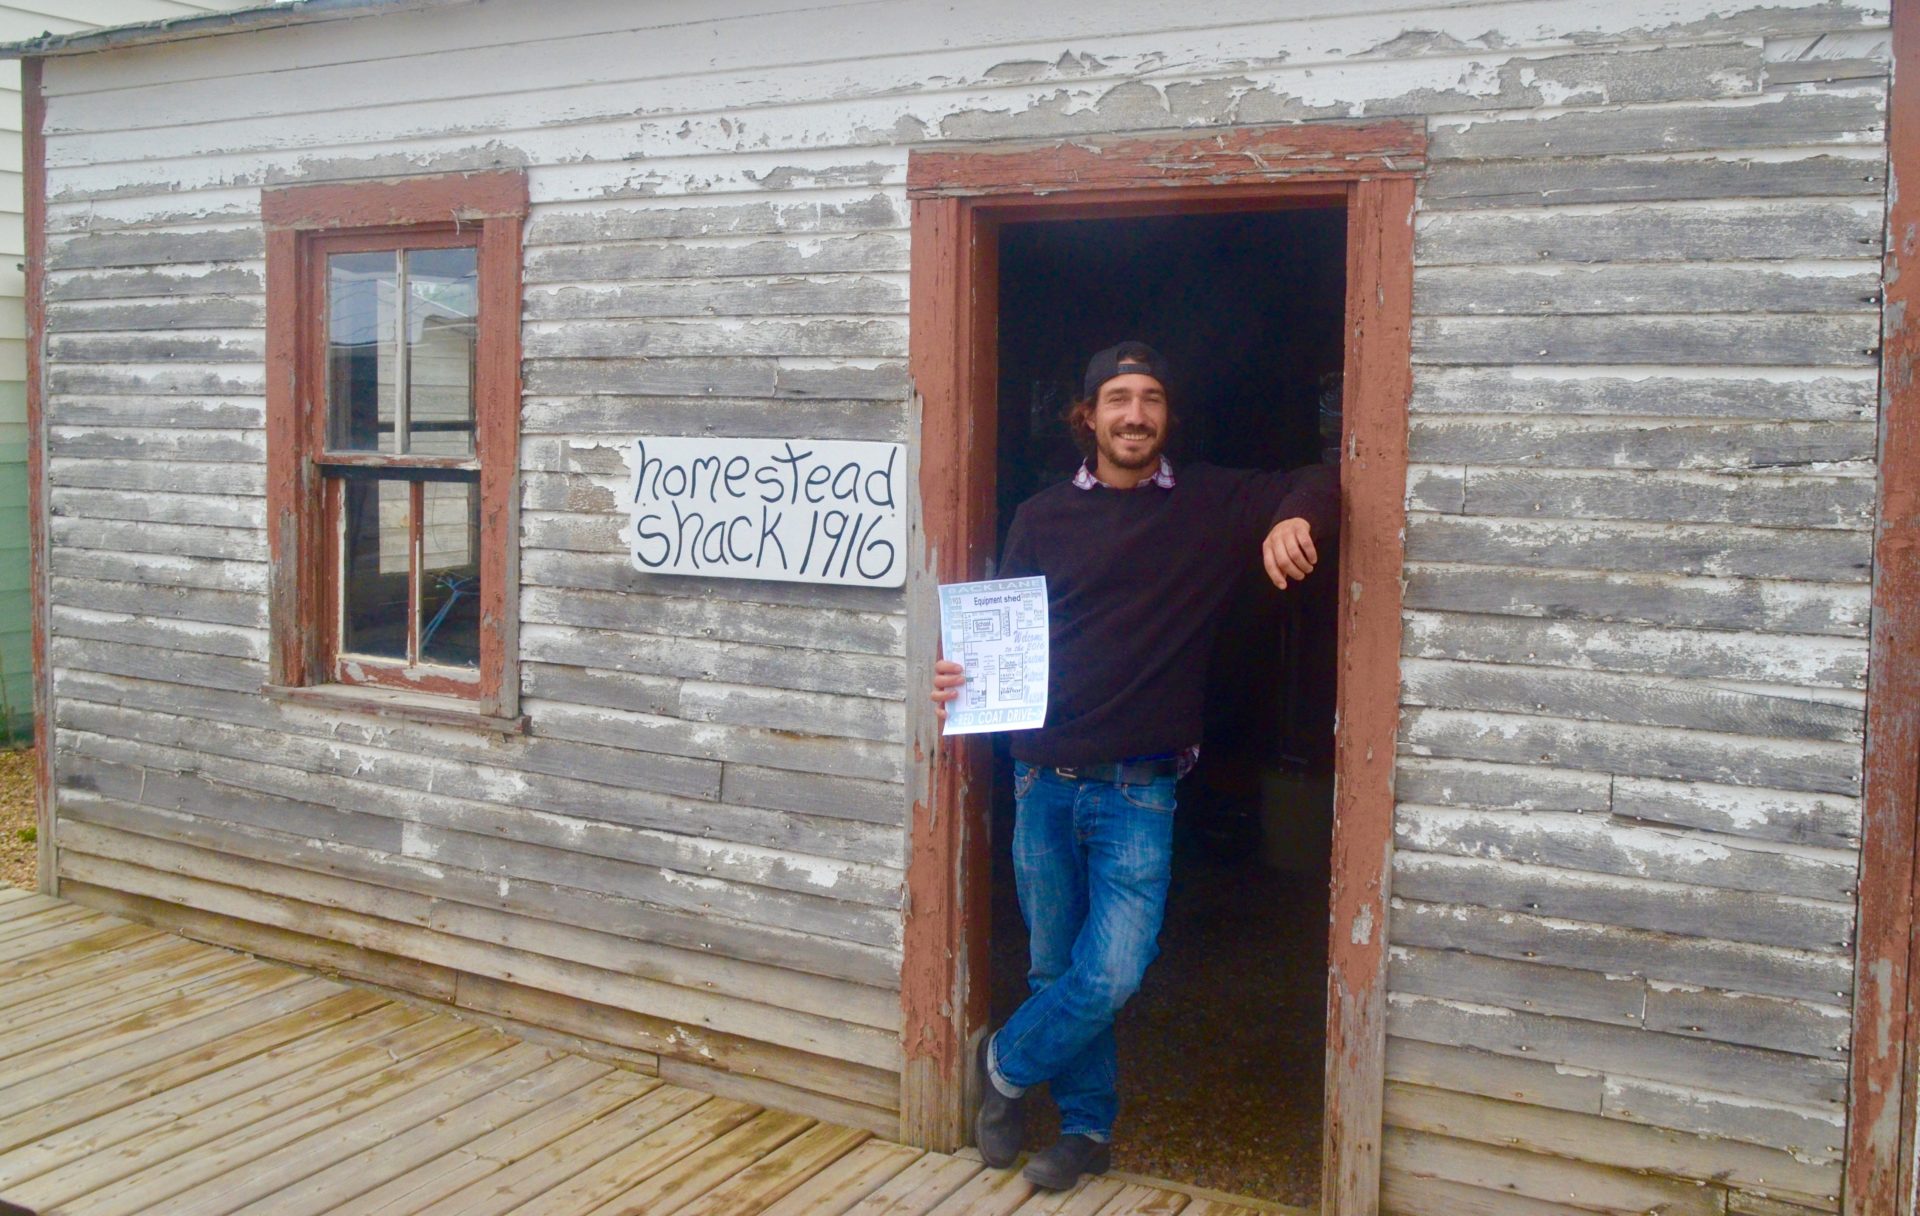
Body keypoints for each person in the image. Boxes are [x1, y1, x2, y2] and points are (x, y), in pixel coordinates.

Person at [930, 340, 1338, 1190]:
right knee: (1054, 966)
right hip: (1041, 781)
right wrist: (960, 673)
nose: (1135, 414)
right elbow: (1003, 637)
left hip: (1139, 789)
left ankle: (1002, 1064)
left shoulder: (1209, 504)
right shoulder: (1041, 516)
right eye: (1118, 398)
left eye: (1151, 398)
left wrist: (1298, 518)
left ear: (1166, 418)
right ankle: (1085, 1131)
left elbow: (1323, 474)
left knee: (1112, 968)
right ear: (1088, 416)